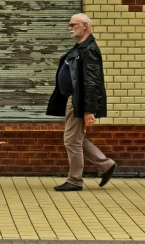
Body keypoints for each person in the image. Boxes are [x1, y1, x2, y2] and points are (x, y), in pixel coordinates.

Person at [46, 13, 117, 191]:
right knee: (75, 138)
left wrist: (88, 110)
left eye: (73, 25)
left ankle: (75, 180)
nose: (69, 28)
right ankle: (106, 165)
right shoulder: (80, 48)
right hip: (73, 98)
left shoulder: (89, 49)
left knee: (71, 140)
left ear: (84, 26)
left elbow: (92, 82)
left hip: (78, 100)